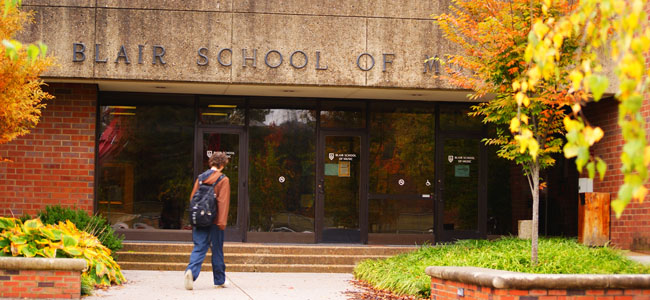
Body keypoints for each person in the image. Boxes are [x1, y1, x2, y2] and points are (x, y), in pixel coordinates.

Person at [184, 152, 231, 290]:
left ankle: (191, 272)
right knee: (217, 250)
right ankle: (219, 280)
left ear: (211, 163)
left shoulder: (200, 178)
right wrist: (222, 222)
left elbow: (193, 198)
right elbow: (223, 202)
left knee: (199, 247)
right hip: (215, 220)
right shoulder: (223, 179)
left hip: (199, 219)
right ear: (222, 165)